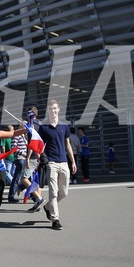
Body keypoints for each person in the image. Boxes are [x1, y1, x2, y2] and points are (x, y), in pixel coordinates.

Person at [38, 99, 77, 231]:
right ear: (47, 111)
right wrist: (40, 158)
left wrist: (73, 161)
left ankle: (48, 207)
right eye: (51, 109)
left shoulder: (64, 126)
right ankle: (55, 220)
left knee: (64, 192)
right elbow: (40, 145)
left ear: (58, 109)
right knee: (53, 193)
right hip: (51, 163)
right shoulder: (44, 127)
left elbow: (67, 144)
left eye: (55, 108)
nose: (53, 111)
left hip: (64, 161)